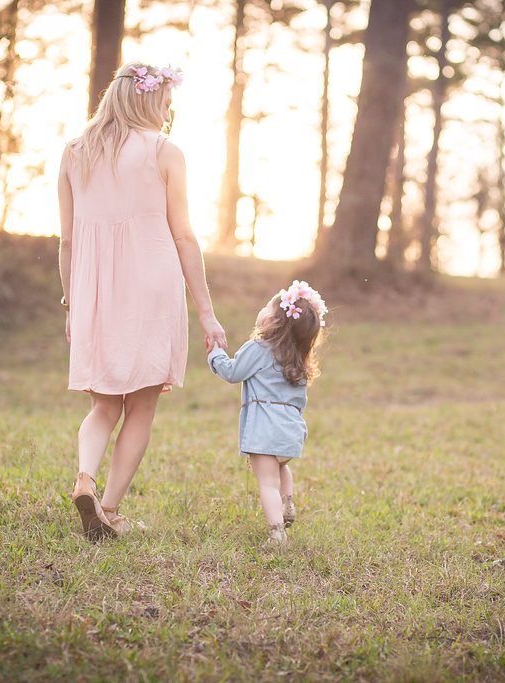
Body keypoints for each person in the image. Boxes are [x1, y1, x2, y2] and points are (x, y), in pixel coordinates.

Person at [57, 62, 227, 541]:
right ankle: (108, 510)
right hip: (152, 285)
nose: (168, 115)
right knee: (142, 408)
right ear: (149, 101)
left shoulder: (74, 153)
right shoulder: (165, 152)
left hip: (95, 291)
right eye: (166, 104)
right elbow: (185, 236)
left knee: (104, 406)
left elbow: (67, 242)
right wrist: (207, 312)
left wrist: (73, 303)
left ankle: (85, 479)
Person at [207, 280, 327, 547]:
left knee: (267, 483)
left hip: (264, 429)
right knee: (281, 467)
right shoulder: (298, 358)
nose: (261, 310)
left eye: (266, 307)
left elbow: (232, 372)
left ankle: (276, 533)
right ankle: (288, 503)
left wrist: (215, 354)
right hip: (291, 430)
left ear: (274, 321)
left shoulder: (259, 348)